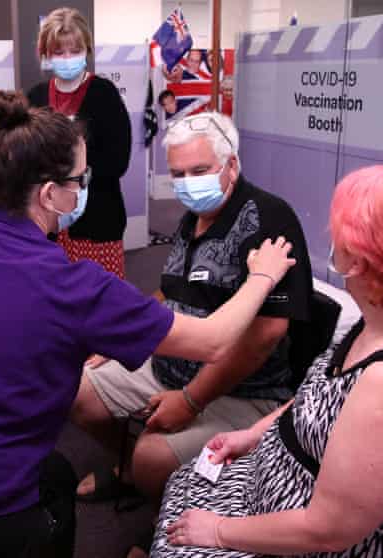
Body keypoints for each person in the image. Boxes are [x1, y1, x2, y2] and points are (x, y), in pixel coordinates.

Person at [0, 91, 297, 558]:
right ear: (49, 195)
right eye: (80, 180)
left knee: (56, 472)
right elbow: (215, 340)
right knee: (50, 485)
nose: (82, 189)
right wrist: (262, 276)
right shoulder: (74, 286)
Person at [152, 164, 383, 557]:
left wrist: (218, 531)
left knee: (181, 527)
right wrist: (255, 434)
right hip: (289, 489)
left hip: (363, 543)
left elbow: (328, 531)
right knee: (185, 483)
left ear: (359, 262)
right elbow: (324, 395)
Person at [70, 111, 312, 556]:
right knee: (74, 388)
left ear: (231, 165)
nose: (187, 184)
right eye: (178, 174)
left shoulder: (269, 220)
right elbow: (171, 289)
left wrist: (191, 400)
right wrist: (126, 338)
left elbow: (266, 334)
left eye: (199, 171)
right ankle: (131, 472)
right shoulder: (192, 218)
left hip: (240, 389)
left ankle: (164, 517)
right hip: (168, 364)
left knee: (153, 458)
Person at [28, 7, 132, 278]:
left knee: (101, 293)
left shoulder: (104, 94)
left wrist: (71, 176)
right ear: (46, 53)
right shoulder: (36, 97)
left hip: (97, 220)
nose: (67, 58)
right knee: (54, 293)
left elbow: (118, 160)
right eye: (59, 52)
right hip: (47, 223)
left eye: (74, 51)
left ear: (87, 50)